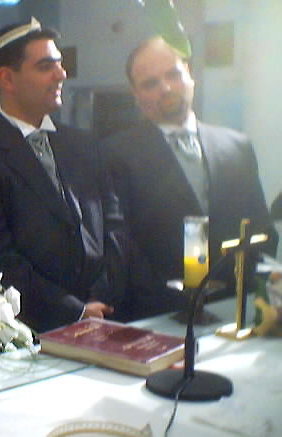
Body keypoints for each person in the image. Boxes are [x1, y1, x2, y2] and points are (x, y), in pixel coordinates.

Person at [0, 18, 127, 332]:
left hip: (106, 312)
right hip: (36, 325)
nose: (61, 74)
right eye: (46, 66)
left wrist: (102, 295)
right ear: (7, 79)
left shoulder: (84, 145)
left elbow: (114, 225)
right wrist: (75, 310)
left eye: (60, 64)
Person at [101, 36, 278, 320]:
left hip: (236, 307)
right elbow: (120, 247)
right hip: (157, 314)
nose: (166, 88)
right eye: (150, 83)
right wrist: (166, 301)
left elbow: (262, 229)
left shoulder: (237, 147)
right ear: (135, 94)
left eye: (173, 74)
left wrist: (255, 294)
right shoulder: (113, 155)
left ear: (189, 74)